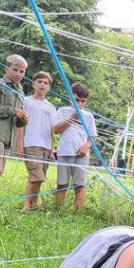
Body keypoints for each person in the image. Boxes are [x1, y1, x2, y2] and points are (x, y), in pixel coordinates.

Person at [0, 54, 29, 210]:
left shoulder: (20, 92)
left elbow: (16, 119)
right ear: (6, 69)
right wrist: (12, 110)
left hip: (7, 136)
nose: (18, 74)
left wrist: (22, 119)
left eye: (22, 71)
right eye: (15, 70)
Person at [21, 71, 71, 210]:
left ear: (49, 87)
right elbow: (20, 125)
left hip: (45, 146)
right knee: (36, 176)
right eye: (40, 81)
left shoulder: (50, 107)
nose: (43, 85)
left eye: (46, 83)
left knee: (40, 177)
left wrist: (51, 148)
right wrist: (19, 144)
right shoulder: (26, 101)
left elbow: (52, 129)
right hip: (30, 143)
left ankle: (34, 204)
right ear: (33, 84)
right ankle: (26, 205)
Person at [54, 82, 97, 212]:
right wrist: (72, 117)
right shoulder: (62, 111)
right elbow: (56, 129)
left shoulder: (89, 116)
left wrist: (87, 146)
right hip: (64, 153)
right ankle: (58, 211)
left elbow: (93, 136)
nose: (80, 104)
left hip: (81, 156)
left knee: (80, 185)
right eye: (77, 100)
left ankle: (77, 212)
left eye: (83, 101)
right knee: (62, 184)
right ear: (70, 97)